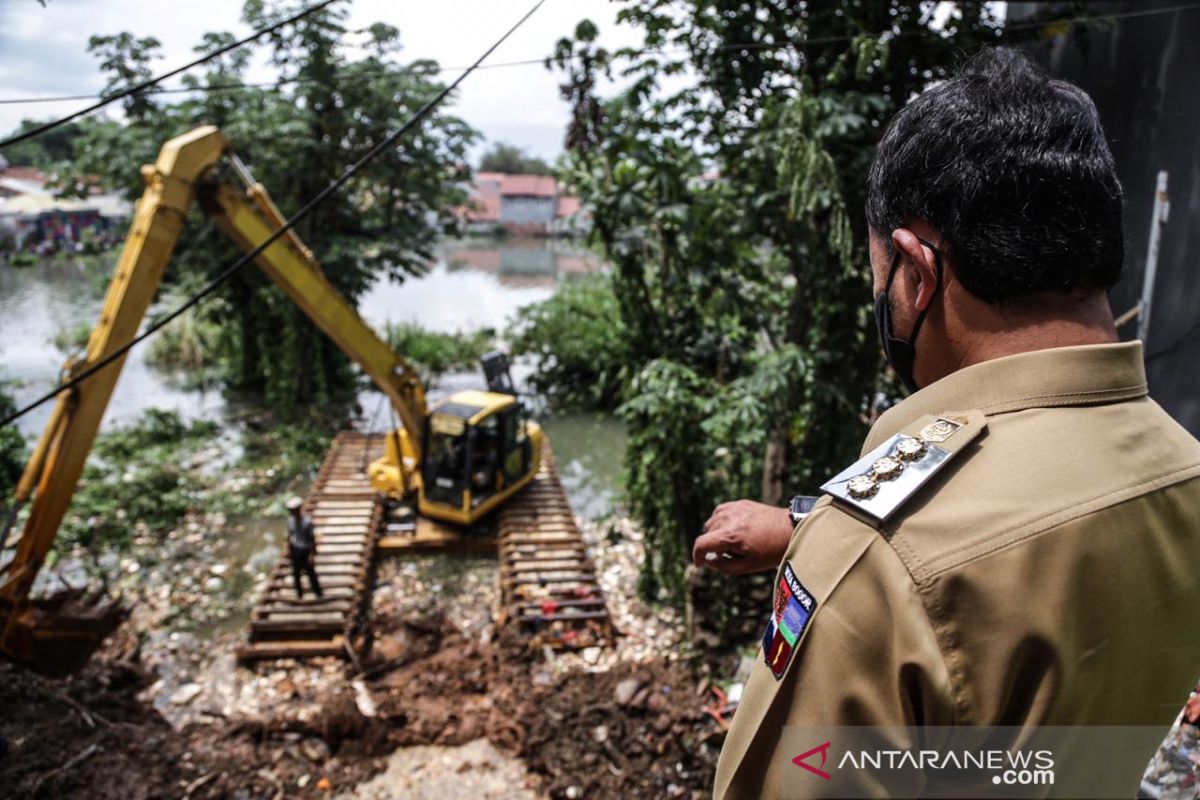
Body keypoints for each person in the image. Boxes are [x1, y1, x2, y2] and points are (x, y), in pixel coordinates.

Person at [696, 48, 1200, 798]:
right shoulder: (1183, 468)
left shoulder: (876, 557)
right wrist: (807, 528)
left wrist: (838, 551)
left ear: (916, 272)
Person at [286, 496, 322, 599]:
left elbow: (312, 539)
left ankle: (318, 592)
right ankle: (299, 594)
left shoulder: (307, 522)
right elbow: (290, 535)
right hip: (296, 549)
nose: (292, 513)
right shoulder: (291, 521)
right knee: (296, 573)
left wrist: (312, 554)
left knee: (310, 572)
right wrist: (289, 549)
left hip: (305, 550)